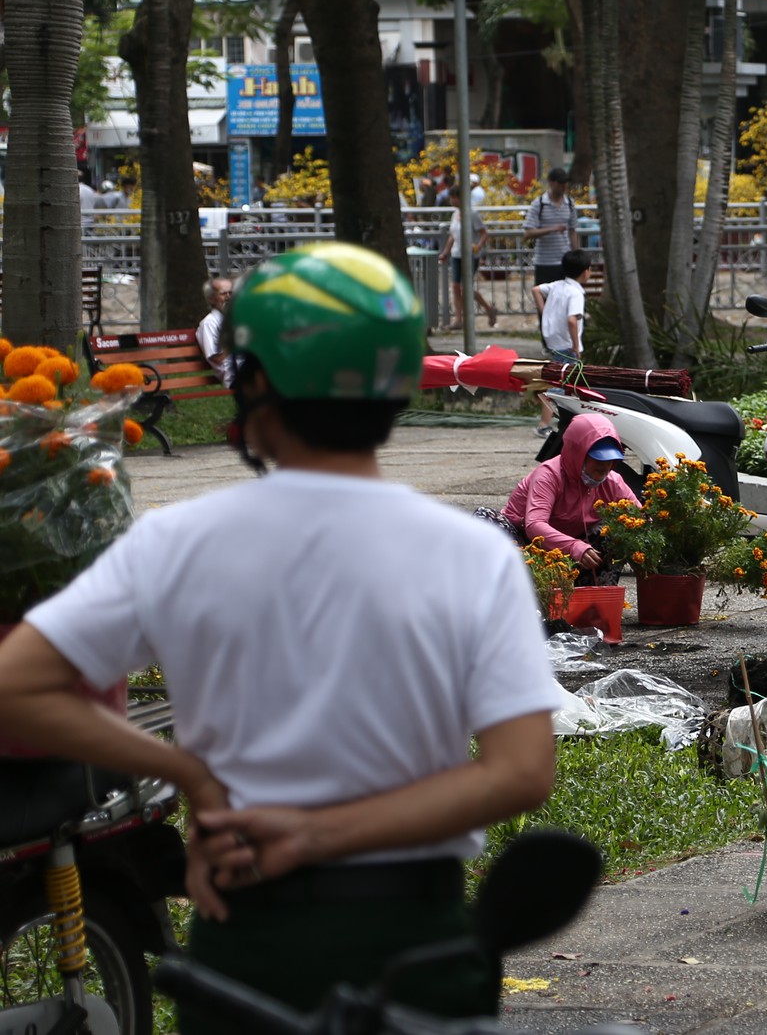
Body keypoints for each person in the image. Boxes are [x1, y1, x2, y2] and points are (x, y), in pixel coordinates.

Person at [0, 243, 568, 1027]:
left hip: (248, 947)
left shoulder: (180, 542)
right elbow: (521, 771)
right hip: (417, 946)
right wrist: (315, 833)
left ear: (259, 384)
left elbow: (14, 685)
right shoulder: (472, 554)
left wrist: (187, 772)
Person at [497, 413, 636, 584]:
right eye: (598, 459)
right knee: (486, 519)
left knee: (614, 533)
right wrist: (573, 547)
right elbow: (534, 525)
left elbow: (641, 518)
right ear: (577, 454)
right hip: (526, 544)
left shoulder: (613, 482)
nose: (605, 467)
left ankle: (593, 593)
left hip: (576, 551)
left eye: (610, 460)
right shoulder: (548, 475)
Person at [531, 250, 590, 435]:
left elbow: (536, 290)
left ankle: (569, 422)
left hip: (554, 341)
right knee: (559, 385)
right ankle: (544, 424)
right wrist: (576, 345)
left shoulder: (557, 286)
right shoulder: (576, 293)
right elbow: (572, 320)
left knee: (568, 383)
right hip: (567, 344)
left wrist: (545, 313)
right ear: (586, 272)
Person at [437, 201, 497, 329]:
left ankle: (488, 309)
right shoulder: (455, 214)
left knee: (466, 288)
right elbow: (452, 236)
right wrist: (446, 252)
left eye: (454, 197)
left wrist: (478, 246)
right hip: (456, 254)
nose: (452, 200)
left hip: (470, 255)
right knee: (455, 287)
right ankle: (458, 319)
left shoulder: (472, 214)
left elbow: (484, 233)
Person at [524, 168, 580, 286]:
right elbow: (528, 233)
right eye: (560, 183)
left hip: (565, 261)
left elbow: (573, 231)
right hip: (545, 263)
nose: (563, 186)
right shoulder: (539, 204)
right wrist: (551, 229)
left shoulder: (570, 203)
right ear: (551, 182)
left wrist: (577, 256)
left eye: (565, 183)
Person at [195, 276, 236, 386]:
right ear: (211, 299)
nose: (228, 297)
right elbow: (216, 359)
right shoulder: (209, 323)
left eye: (230, 293)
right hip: (235, 376)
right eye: (223, 293)